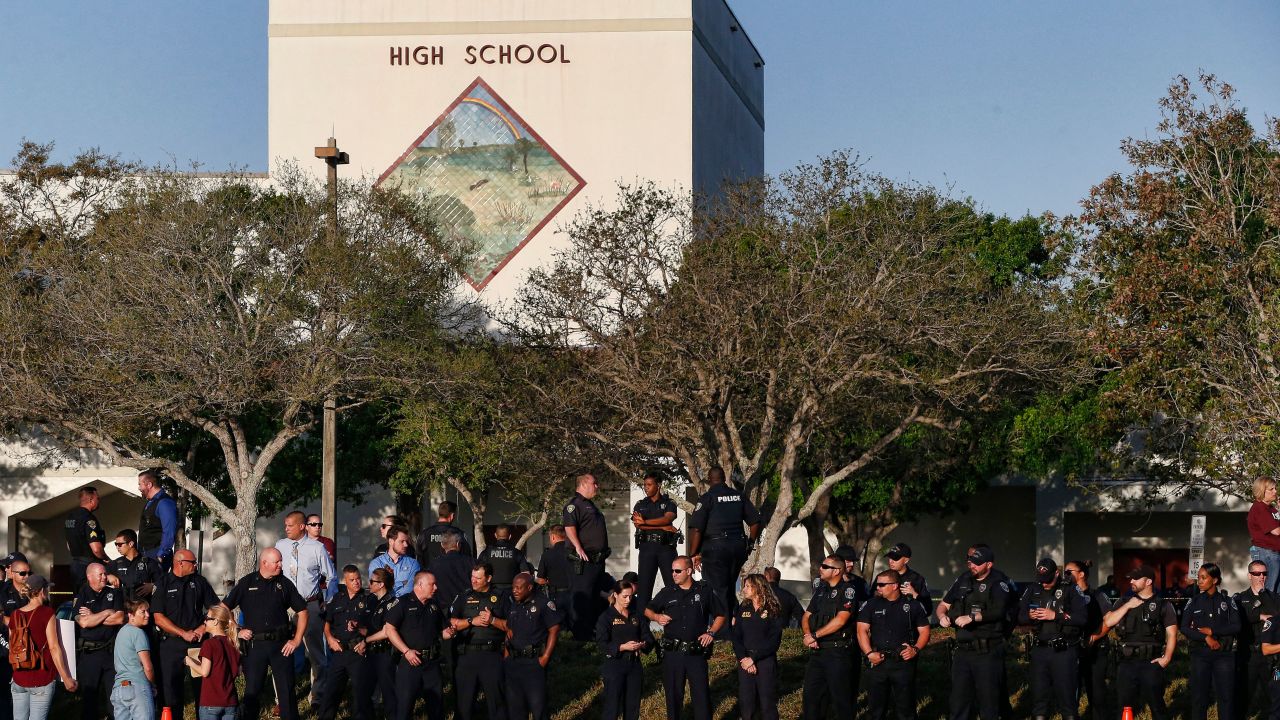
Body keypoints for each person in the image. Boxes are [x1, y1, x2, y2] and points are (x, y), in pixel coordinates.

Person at [222, 547, 309, 720]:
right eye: (276, 562)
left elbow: (303, 611)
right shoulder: (247, 582)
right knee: (252, 690)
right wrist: (237, 629)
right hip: (255, 645)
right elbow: (224, 608)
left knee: (286, 690)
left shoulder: (284, 583)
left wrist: (297, 639)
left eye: (280, 561)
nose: (280, 565)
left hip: (281, 645)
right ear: (264, 563)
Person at [936, 544, 1014, 720]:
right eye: (970, 562)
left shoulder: (998, 582)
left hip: (987, 652)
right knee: (958, 702)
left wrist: (972, 617)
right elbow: (944, 604)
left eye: (977, 563)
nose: (972, 566)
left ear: (989, 564)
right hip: (963, 651)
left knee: (988, 703)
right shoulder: (963, 579)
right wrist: (941, 616)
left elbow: (999, 611)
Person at [644, 555, 726, 720]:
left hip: (696, 652)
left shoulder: (704, 591)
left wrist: (711, 633)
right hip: (673, 654)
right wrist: (656, 617)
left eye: (678, 571)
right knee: (673, 698)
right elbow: (647, 609)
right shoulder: (667, 592)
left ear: (689, 571)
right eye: (672, 570)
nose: (673, 574)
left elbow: (721, 614)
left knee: (701, 697)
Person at [274, 509, 338, 708]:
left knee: (316, 653)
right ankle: (281, 699)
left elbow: (332, 576)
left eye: (290, 526)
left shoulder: (316, 548)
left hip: (309, 605)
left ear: (302, 526)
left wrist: (327, 599)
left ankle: (317, 695)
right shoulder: (280, 546)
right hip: (284, 607)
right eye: (285, 525)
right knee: (283, 652)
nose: (286, 529)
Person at [1103, 565, 1177, 720]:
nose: (1132, 581)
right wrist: (1128, 605)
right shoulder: (1123, 601)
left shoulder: (1163, 604)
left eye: (1136, 578)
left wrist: (1167, 658)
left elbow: (1171, 634)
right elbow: (1108, 621)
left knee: (1157, 707)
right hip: (1126, 662)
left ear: (1148, 581)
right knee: (1124, 708)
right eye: (1131, 578)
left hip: (1151, 662)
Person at [151, 548, 219, 716]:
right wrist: (183, 633)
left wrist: (203, 627)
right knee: (171, 691)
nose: (196, 565)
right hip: (171, 644)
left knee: (202, 688)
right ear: (180, 563)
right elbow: (158, 617)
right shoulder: (163, 582)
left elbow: (216, 609)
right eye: (193, 562)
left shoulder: (200, 581)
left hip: (197, 643)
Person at [687, 466, 760, 620]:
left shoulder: (707, 498)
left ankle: (722, 632)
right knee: (729, 587)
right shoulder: (738, 496)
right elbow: (755, 522)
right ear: (724, 478)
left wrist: (693, 554)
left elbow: (697, 530)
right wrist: (751, 543)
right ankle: (734, 623)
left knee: (717, 590)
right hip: (738, 548)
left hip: (715, 550)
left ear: (709, 479)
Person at [1018, 558, 1087, 720]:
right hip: (1040, 650)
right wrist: (1029, 616)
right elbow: (1019, 616)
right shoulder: (1032, 588)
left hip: (1063, 650)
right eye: (1041, 579)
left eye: (1048, 579)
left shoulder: (1070, 589)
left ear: (1057, 573)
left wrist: (1056, 616)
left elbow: (1082, 618)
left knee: (1067, 701)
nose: (1044, 584)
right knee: (1039, 700)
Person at [857, 569, 931, 720]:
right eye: (877, 584)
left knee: (906, 710)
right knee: (876, 711)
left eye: (882, 585)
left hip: (903, 663)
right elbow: (861, 630)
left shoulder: (912, 605)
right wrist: (869, 653)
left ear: (895, 586)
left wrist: (915, 649)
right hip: (878, 662)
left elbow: (925, 631)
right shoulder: (871, 604)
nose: (878, 588)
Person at [384, 571, 453, 720]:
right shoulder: (402, 603)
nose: (436, 587)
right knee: (404, 707)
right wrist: (406, 651)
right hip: (410, 663)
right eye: (432, 584)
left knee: (436, 707)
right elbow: (389, 629)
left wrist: (451, 632)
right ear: (420, 585)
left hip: (432, 663)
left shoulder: (434, 605)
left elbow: (443, 632)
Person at [9, 575, 77, 720]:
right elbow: (53, 647)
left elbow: (13, 647)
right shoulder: (46, 613)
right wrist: (66, 678)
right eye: (46, 588)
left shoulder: (15, 615)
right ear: (41, 591)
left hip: (18, 678)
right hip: (41, 678)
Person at [449, 563, 509, 720]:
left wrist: (493, 620)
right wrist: (471, 621)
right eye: (472, 577)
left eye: (478, 578)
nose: (473, 581)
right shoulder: (463, 597)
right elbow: (451, 622)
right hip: (467, 655)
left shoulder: (502, 597)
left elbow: (512, 626)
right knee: (464, 704)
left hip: (492, 656)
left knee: (497, 703)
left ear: (489, 578)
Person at [801, 554, 858, 719]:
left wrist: (814, 635)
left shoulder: (847, 590)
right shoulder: (821, 589)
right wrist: (808, 636)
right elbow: (806, 616)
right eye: (821, 565)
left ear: (837, 571)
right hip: (818, 652)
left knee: (841, 701)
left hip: (838, 652)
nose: (821, 568)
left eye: (826, 567)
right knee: (811, 698)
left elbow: (841, 620)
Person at [1181, 562, 1241, 720]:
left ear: (1214, 580)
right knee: (1199, 698)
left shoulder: (1228, 602)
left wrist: (1214, 631)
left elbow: (1237, 626)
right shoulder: (1193, 602)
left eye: (1203, 577)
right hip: (1200, 655)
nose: (1199, 581)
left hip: (1224, 655)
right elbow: (1184, 628)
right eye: (1199, 578)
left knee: (1226, 698)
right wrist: (1205, 637)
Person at [317, 565, 374, 720]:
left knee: (361, 694)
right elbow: (327, 623)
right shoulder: (337, 598)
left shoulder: (369, 600)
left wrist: (360, 627)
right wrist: (329, 638)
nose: (356, 582)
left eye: (358, 579)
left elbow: (374, 630)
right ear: (345, 581)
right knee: (331, 691)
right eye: (352, 580)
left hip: (358, 652)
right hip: (340, 652)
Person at [504, 572, 562, 720]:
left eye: (519, 588)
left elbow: (554, 631)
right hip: (514, 662)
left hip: (534, 663)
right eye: (513, 587)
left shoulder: (544, 604)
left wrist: (545, 657)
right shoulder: (513, 604)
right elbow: (509, 630)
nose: (515, 591)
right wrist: (506, 655)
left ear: (529, 587)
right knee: (515, 708)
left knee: (538, 708)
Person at [74, 562, 125, 720]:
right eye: (100, 574)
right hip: (90, 655)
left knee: (114, 698)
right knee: (89, 700)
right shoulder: (83, 593)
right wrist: (107, 612)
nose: (105, 577)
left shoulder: (114, 593)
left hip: (110, 653)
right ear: (90, 577)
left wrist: (94, 615)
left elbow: (120, 618)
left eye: (105, 574)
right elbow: (83, 622)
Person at [595, 580, 652, 720]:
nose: (628, 600)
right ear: (615, 595)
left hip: (634, 665)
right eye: (624, 596)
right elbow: (601, 644)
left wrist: (643, 644)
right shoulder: (606, 617)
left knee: (633, 708)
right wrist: (622, 647)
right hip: (615, 665)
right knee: (612, 707)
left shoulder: (636, 615)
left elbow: (648, 636)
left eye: (631, 596)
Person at [563, 472, 611, 639]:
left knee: (594, 597)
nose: (597, 486)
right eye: (594, 483)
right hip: (583, 562)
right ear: (583, 485)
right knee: (582, 598)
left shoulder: (590, 505)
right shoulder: (574, 505)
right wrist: (578, 547)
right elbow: (569, 527)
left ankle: (592, 633)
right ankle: (580, 637)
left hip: (596, 561)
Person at [1063, 559, 1112, 720]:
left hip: (1095, 649)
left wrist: (1094, 637)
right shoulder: (1065, 594)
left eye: (1069, 572)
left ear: (1082, 574)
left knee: (1096, 693)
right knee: (1071, 693)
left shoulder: (1097, 595)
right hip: (1072, 649)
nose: (1065, 575)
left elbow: (1109, 620)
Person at [732, 574, 783, 720]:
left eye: (748, 586)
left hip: (765, 662)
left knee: (767, 705)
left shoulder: (773, 608)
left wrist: (754, 658)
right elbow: (736, 636)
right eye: (745, 586)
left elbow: (774, 641)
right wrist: (744, 658)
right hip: (745, 662)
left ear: (759, 587)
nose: (744, 589)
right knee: (747, 704)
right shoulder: (744, 607)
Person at [1234, 559, 1279, 720]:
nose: (1261, 577)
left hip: (1271, 657)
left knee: (1273, 698)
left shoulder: (1273, 598)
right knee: (1243, 697)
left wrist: (1263, 595)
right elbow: (1237, 620)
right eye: (1257, 573)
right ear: (1249, 575)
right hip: (1249, 655)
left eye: (1264, 573)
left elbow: (1277, 616)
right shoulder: (1240, 598)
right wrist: (1258, 616)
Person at [183, 604, 242, 720]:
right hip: (231, 702)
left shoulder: (209, 644)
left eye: (207, 618)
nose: (204, 621)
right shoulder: (233, 643)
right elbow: (238, 671)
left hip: (211, 702)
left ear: (215, 621)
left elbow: (205, 672)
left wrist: (189, 662)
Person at [631, 471, 680, 607]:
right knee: (644, 588)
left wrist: (645, 522)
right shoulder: (640, 504)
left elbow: (668, 518)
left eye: (649, 485)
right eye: (644, 485)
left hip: (666, 548)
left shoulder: (669, 503)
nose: (646, 488)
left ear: (658, 485)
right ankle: (642, 625)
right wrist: (663, 526)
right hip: (647, 549)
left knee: (673, 586)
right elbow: (637, 524)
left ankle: (675, 619)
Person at [359, 568, 398, 720]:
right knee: (364, 691)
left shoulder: (391, 603)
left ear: (381, 584)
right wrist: (358, 627)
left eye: (372, 581)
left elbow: (386, 631)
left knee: (389, 693)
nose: (369, 584)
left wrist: (366, 640)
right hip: (371, 654)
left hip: (385, 653)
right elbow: (371, 628)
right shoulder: (373, 601)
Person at [111, 599, 156, 720]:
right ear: (131, 615)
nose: (147, 615)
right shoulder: (138, 633)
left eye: (148, 611)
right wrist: (152, 685)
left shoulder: (121, 632)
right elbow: (147, 666)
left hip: (118, 690)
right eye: (143, 612)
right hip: (137, 687)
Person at [64, 486, 110, 591]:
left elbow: (69, 544)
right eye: (97, 498)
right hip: (89, 568)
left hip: (75, 567)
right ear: (91, 500)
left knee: (79, 600)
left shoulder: (70, 517)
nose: (99, 501)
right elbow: (96, 549)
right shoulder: (89, 519)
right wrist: (107, 559)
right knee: (92, 601)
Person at [137, 470, 179, 572]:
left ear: (149, 485)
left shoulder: (164, 502)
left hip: (156, 555)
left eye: (140, 484)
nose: (139, 488)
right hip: (145, 554)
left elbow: (169, 531)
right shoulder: (150, 502)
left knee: (156, 586)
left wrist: (160, 555)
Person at [475, 524, 532, 592]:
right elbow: (525, 574)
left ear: (495, 535)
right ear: (510, 536)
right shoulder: (517, 553)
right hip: (512, 592)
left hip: (491, 591)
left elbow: (477, 571)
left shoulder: (486, 552)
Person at [107, 529, 161, 600]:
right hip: (124, 605)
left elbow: (162, 582)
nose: (117, 547)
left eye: (120, 544)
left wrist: (152, 586)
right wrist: (108, 576)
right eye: (116, 544)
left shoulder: (148, 562)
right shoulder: (116, 563)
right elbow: (97, 575)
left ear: (131, 544)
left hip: (144, 606)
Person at [368, 525, 420, 598]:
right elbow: (376, 588)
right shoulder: (376, 563)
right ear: (391, 541)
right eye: (402, 541)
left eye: (406, 541)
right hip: (383, 607)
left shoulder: (413, 563)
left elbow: (410, 589)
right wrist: (402, 583)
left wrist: (388, 586)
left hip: (405, 606)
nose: (406, 545)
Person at [1248, 475, 1280, 594]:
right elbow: (1276, 531)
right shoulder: (1260, 508)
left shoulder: (1271, 508)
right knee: (1269, 590)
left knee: (1276, 592)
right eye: (1271, 489)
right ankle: (1266, 612)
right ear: (1262, 490)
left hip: (1273, 552)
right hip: (1266, 552)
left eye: (1275, 488)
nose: (1275, 491)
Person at [884, 543, 932, 614]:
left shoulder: (917, 579)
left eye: (895, 558)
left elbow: (928, 609)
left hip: (908, 622)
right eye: (890, 557)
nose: (891, 561)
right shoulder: (882, 577)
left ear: (906, 560)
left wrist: (914, 594)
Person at [535, 525, 573, 614]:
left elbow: (541, 580)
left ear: (552, 537)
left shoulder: (547, 555)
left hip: (556, 596)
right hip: (574, 594)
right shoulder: (574, 552)